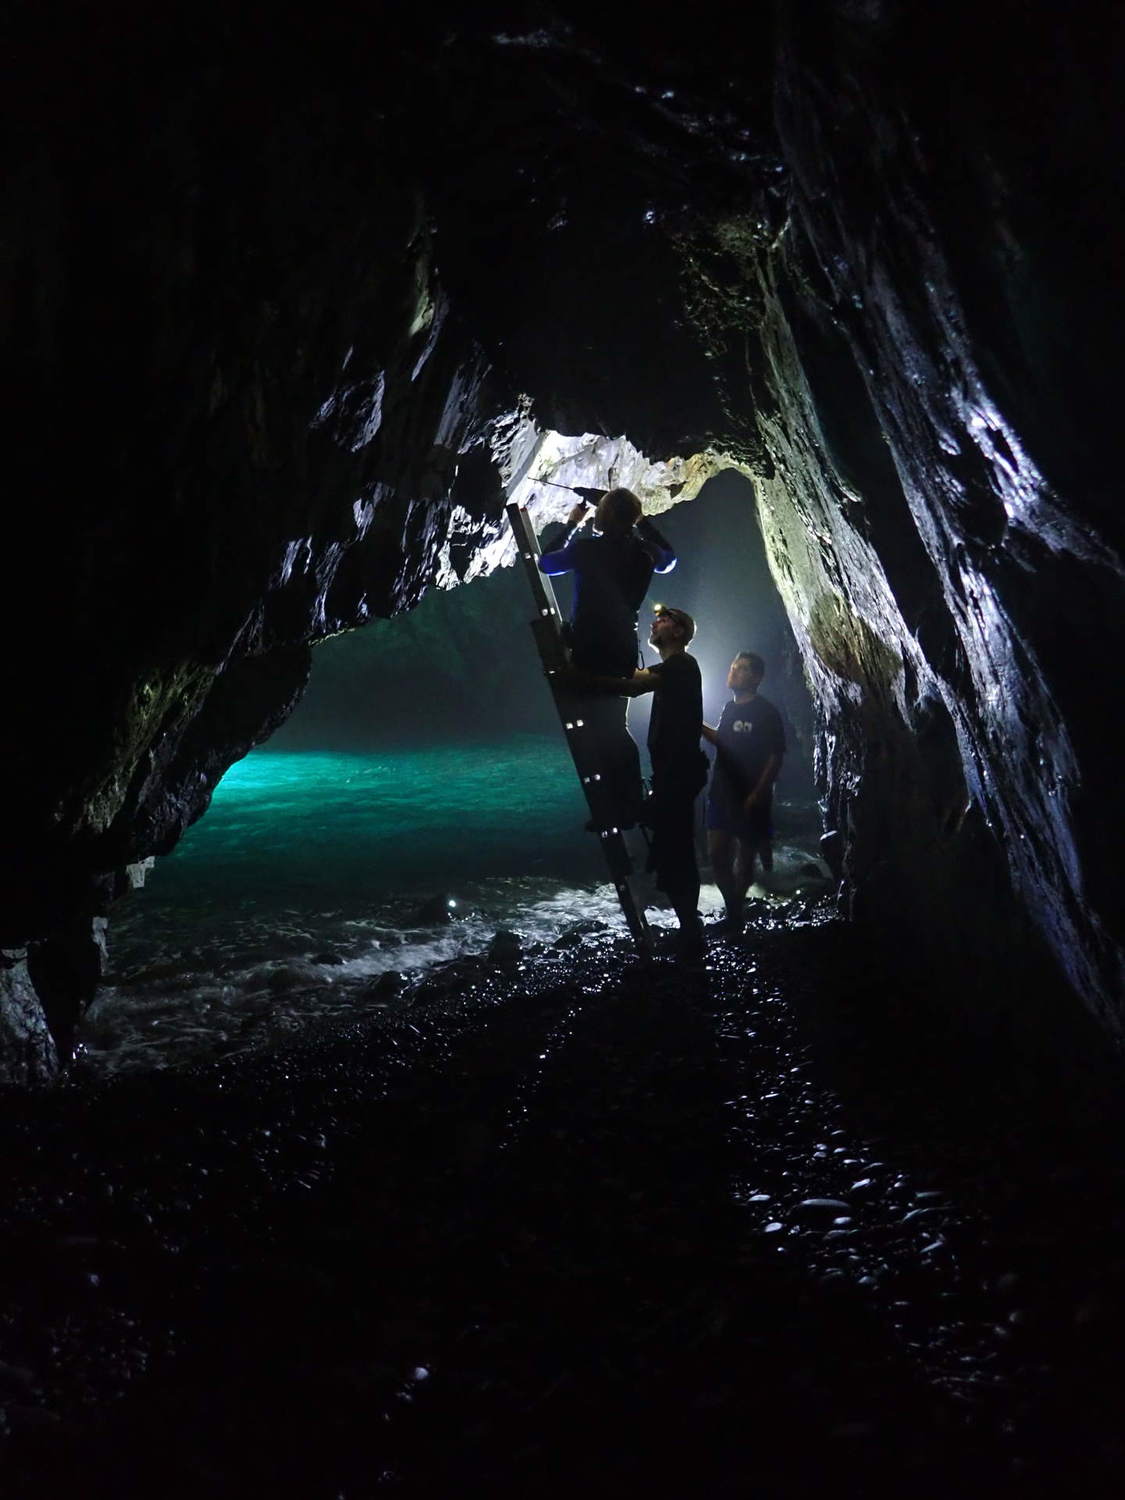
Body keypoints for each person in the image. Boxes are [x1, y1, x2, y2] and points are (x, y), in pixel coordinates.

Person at [538, 489, 676, 824]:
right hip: (622, 646)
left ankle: (624, 804)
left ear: (608, 515)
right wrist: (642, 521)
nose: (596, 514)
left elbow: (546, 563)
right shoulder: (645, 551)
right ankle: (623, 802)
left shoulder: (587, 549)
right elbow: (670, 559)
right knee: (611, 724)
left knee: (604, 728)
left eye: (600, 509)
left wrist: (572, 524)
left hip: (591, 646)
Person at [626, 606, 709, 959]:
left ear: (678, 632)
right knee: (673, 849)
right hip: (674, 774)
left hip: (678, 774)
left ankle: (691, 933)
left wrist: (577, 673)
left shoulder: (681, 664)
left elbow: (634, 683)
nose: (655, 621)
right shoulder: (676, 668)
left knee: (676, 851)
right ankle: (689, 929)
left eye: (664, 619)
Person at [702, 651, 786, 934]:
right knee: (716, 854)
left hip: (749, 794)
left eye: (741, 669)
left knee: (745, 856)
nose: (734, 672)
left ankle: (735, 914)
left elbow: (775, 755)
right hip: (721, 791)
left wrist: (759, 792)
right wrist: (696, 723)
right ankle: (734, 908)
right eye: (733, 667)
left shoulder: (766, 712)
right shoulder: (729, 708)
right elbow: (722, 740)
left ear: (756, 677)